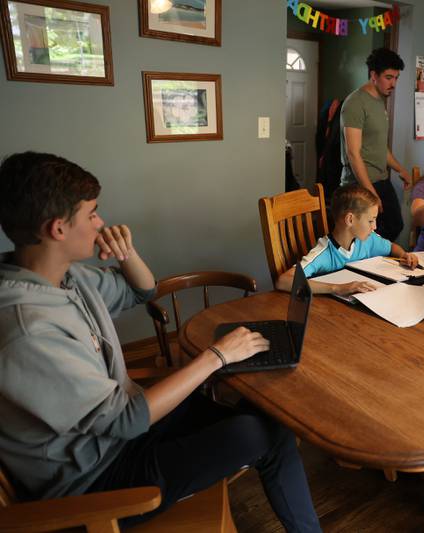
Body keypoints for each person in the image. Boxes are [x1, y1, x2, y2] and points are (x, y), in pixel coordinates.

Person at [0, 152, 322, 531]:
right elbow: (126, 420)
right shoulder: (30, 329)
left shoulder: (64, 278)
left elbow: (143, 290)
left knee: (270, 425)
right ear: (57, 229)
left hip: (119, 432)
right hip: (95, 481)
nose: (100, 222)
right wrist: (216, 356)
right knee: (259, 433)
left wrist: (126, 253)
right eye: (91, 214)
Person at [277, 184, 418, 296]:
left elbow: (391, 247)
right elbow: (283, 281)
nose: (374, 227)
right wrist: (337, 288)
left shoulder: (368, 240)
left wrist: (404, 255)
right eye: (370, 221)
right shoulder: (324, 253)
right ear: (350, 219)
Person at [340, 47, 411, 243]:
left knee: (394, 225)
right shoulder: (355, 103)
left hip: (381, 179)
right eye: (389, 77)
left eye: (396, 78)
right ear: (373, 75)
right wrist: (371, 193)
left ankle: (373, 268)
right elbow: (353, 153)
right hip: (359, 183)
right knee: (363, 236)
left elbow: (380, 146)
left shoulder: (379, 102)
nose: (393, 83)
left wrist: (400, 169)